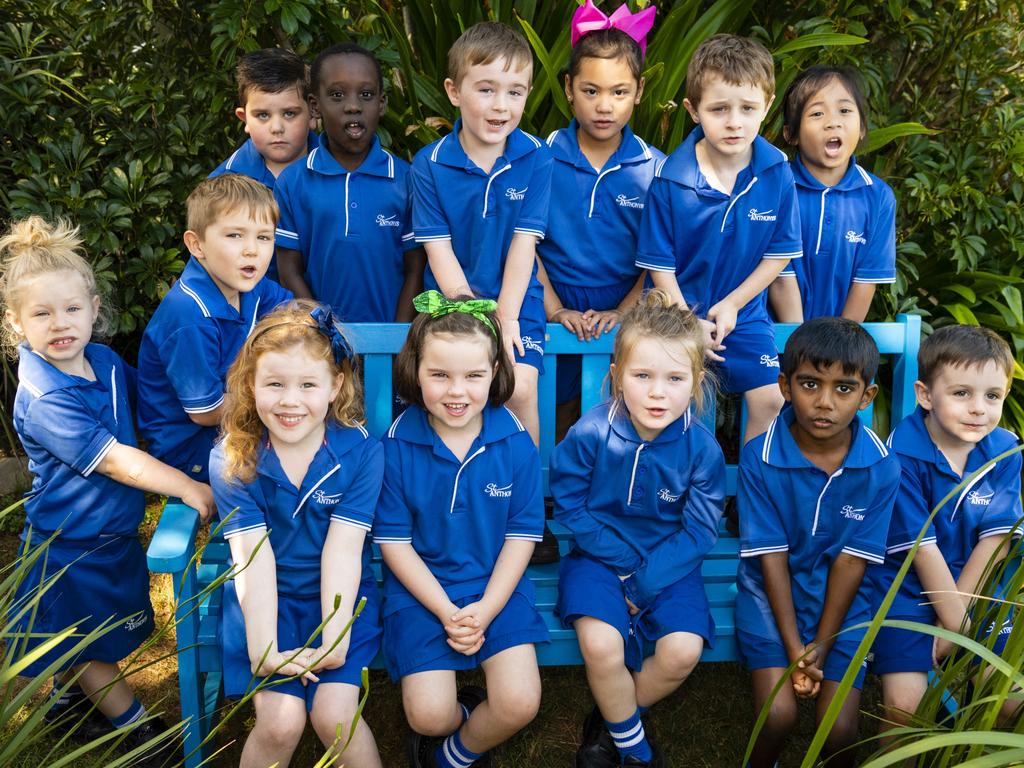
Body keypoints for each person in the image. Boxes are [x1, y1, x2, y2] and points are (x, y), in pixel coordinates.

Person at [1, 216, 215, 764]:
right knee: (88, 645)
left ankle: (68, 704)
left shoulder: (103, 361)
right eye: (41, 314)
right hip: (68, 547)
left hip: (110, 535)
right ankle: (138, 734)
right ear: (15, 322)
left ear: (95, 309)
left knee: (99, 632)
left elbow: (151, 410)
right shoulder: (46, 396)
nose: (60, 324)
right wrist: (188, 487)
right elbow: (119, 462)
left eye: (72, 309)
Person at [373, 290, 548, 768]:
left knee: (519, 703)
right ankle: (456, 718)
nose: (456, 391)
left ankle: (454, 754)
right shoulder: (396, 446)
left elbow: (522, 536)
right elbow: (394, 542)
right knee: (428, 716)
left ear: (494, 374)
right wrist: (448, 611)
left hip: (496, 587)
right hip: (422, 593)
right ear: (416, 371)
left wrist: (487, 610)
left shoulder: (513, 441)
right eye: (440, 375)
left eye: (473, 376)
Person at [551, 289, 725, 768]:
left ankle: (613, 719)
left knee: (682, 652)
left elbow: (700, 532)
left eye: (674, 378)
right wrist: (626, 568)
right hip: (597, 559)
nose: (656, 392)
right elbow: (570, 507)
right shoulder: (590, 434)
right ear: (616, 377)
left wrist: (646, 579)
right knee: (601, 644)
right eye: (642, 375)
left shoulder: (702, 450)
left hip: (670, 565)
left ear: (695, 383)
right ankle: (637, 749)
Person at [209, 301, 384, 768]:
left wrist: (335, 639)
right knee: (281, 722)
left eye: (308, 385)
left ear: (336, 387)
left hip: (342, 600)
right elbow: (252, 558)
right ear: (250, 385)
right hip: (268, 602)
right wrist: (265, 647)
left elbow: (344, 550)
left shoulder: (359, 451)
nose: (290, 401)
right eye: (275, 384)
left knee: (335, 718)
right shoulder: (235, 458)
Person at [735, 317, 899, 768]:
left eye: (844, 389)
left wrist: (820, 648)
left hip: (846, 609)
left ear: (867, 397)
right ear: (785, 386)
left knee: (840, 731)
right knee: (778, 716)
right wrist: (795, 651)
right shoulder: (761, 456)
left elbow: (852, 562)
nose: (824, 403)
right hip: (769, 602)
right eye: (810, 384)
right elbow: (770, 557)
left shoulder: (880, 466)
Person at [636, 34, 802, 445]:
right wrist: (687, 319)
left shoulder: (777, 172)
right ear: (693, 110)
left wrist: (732, 303)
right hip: (671, 318)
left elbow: (777, 256)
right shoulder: (670, 179)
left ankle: (751, 506)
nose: (734, 122)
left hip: (743, 316)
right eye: (719, 109)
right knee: (673, 406)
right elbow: (659, 263)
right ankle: (676, 500)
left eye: (748, 109)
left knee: (770, 400)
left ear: (767, 106)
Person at [869, 325, 1022, 728]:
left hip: (981, 586)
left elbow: (996, 543)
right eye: (961, 393)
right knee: (904, 708)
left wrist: (953, 624)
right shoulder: (899, 456)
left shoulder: (1005, 449)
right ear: (925, 395)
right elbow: (923, 551)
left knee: (1011, 701)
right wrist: (954, 626)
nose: (979, 409)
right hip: (907, 589)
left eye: (992, 396)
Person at [410, 22, 553, 444]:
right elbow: (438, 251)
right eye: (486, 89)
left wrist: (504, 317)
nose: (501, 106)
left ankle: (527, 498)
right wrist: (471, 313)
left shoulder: (536, 157)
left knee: (519, 387)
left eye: (515, 92)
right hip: (451, 303)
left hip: (516, 302)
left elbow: (524, 244)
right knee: (453, 395)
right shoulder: (430, 163)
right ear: (454, 92)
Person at [537, 0, 662, 432]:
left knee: (618, 417)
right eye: (591, 91)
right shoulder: (538, 159)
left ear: (639, 91)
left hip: (631, 312)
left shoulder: (656, 171)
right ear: (569, 87)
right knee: (554, 412)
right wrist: (554, 309)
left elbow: (662, 257)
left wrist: (625, 311)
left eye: (619, 92)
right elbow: (521, 243)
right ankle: (550, 499)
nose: (604, 105)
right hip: (549, 302)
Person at [137, 174, 292, 482]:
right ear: (197, 244)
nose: (252, 250)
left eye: (263, 237)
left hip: (232, 427)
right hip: (190, 450)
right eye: (235, 236)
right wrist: (273, 399)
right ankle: (246, 530)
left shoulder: (249, 286)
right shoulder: (190, 315)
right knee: (294, 459)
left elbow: (291, 311)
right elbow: (205, 412)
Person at [274, 43, 425, 323]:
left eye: (366, 95)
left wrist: (397, 344)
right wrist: (322, 330)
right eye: (337, 95)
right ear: (314, 105)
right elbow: (289, 271)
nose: (353, 106)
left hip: (391, 346)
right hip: (319, 346)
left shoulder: (406, 180)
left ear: (382, 104)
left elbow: (415, 269)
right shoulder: (293, 182)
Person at [768, 65, 897, 322]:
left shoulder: (878, 197)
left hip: (838, 345)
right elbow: (779, 275)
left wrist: (840, 348)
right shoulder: (776, 187)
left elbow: (865, 282)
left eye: (845, 111)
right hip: (773, 339)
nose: (833, 122)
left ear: (861, 128)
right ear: (790, 134)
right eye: (817, 113)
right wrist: (799, 349)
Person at [209, 47, 318, 188]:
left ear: (312, 113)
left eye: (289, 113)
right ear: (245, 119)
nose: (277, 128)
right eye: (263, 115)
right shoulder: (222, 188)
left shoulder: (342, 168)